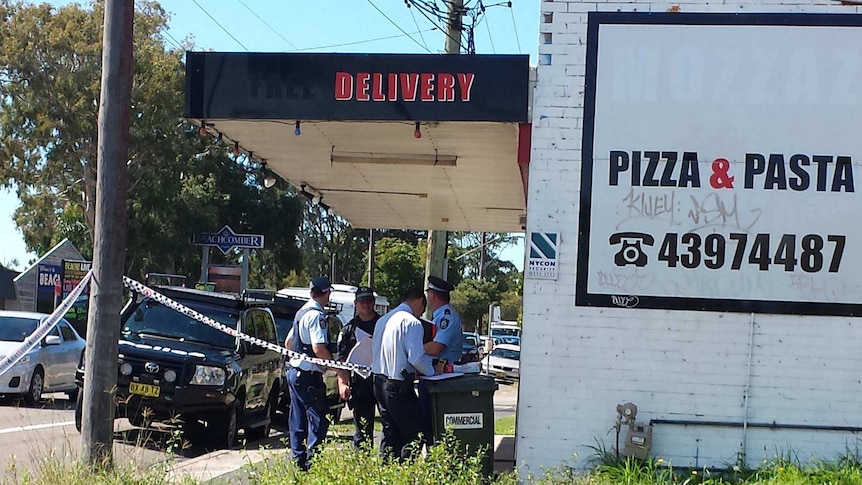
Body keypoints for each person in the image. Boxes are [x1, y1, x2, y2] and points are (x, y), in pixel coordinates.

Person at [371, 287, 441, 460]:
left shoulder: (384, 320)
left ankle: (386, 473)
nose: (421, 314)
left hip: (379, 383)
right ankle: (405, 474)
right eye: (422, 309)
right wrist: (433, 371)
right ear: (419, 301)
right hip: (398, 386)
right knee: (415, 434)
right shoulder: (412, 323)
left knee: (390, 432)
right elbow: (416, 358)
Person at [285, 276, 335, 471]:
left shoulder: (301, 312)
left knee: (297, 421)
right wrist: (334, 367)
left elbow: (289, 343)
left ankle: (298, 463)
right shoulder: (317, 315)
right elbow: (318, 347)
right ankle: (313, 465)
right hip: (309, 377)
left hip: (295, 373)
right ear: (327, 293)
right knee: (318, 421)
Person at [417, 275, 464, 442]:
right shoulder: (437, 316)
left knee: (435, 425)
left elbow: (437, 347)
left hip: (443, 377)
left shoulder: (446, 317)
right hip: (432, 375)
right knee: (425, 424)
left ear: (433, 295)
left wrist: (413, 348)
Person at [336, 285, 380, 450]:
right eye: (362, 301)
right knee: (362, 430)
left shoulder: (383, 325)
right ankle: (362, 464)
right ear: (356, 303)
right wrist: (343, 383)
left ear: (374, 302)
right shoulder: (349, 329)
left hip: (382, 382)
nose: (366, 305)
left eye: (369, 301)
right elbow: (340, 359)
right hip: (360, 384)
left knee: (390, 427)